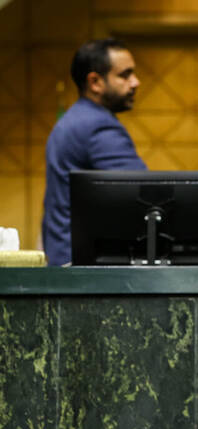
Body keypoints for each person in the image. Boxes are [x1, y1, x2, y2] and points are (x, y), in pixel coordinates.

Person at [42, 38, 147, 266]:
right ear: (95, 82)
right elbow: (144, 196)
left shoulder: (73, 118)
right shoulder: (98, 126)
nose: (135, 82)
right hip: (85, 267)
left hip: (63, 257)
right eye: (125, 75)